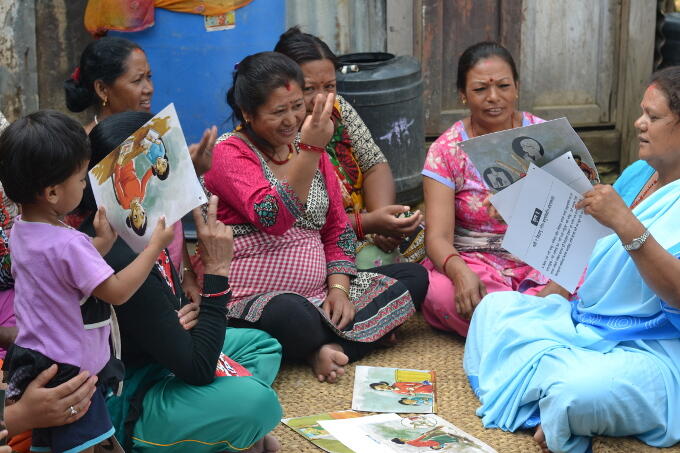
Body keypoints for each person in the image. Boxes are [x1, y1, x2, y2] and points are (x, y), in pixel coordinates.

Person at [464, 66, 680, 453]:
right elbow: (589, 244)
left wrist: (626, 224)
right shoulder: (636, 175)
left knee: (576, 392)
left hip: (659, 349)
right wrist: (522, 208)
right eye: (641, 112)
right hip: (590, 325)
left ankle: (555, 397)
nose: (639, 123)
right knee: (493, 311)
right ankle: (553, 392)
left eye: (654, 116)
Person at [204, 52, 428, 383]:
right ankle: (342, 342)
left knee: (414, 278)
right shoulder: (229, 153)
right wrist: (310, 150)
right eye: (278, 111)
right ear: (248, 114)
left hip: (319, 294)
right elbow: (273, 217)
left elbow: (337, 229)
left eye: (296, 105)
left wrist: (338, 289)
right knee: (290, 313)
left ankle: (324, 347)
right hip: (253, 300)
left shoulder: (308, 145)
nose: (292, 119)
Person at [80, 111, 282, 452]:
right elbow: (199, 369)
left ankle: (218, 426)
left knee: (263, 347)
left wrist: (190, 323)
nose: (171, 172)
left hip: (168, 359)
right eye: (162, 163)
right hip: (134, 393)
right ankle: (209, 428)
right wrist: (216, 270)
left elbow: (176, 325)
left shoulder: (134, 226)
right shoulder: (119, 255)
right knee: (258, 404)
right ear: (126, 185)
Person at [0, 110, 175, 453]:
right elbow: (117, 292)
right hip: (72, 374)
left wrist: (103, 244)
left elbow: (62, 269)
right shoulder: (68, 243)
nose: (85, 186)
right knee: (88, 445)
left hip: (37, 361)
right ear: (52, 193)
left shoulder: (23, 230)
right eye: (81, 180)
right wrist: (154, 247)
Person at [64, 36, 217, 303]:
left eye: (149, 77)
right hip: (127, 288)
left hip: (172, 278)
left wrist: (188, 274)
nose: (148, 89)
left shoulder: (154, 135)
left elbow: (171, 212)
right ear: (103, 89)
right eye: (137, 81)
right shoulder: (82, 150)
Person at [420, 41, 547, 336]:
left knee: (596, 273)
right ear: (463, 95)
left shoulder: (543, 137)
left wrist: (523, 204)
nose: (494, 98)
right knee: (439, 293)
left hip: (540, 256)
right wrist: (460, 273)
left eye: (503, 86)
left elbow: (576, 211)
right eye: (480, 89)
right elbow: (437, 238)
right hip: (477, 261)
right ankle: (540, 323)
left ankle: (508, 326)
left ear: (516, 87)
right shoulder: (447, 150)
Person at [274, 27, 424, 269]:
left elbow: (374, 164)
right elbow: (302, 218)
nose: (321, 98)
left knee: (420, 233)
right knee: (371, 262)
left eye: (329, 86)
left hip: (368, 222)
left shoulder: (339, 109)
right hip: (317, 238)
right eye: (309, 88)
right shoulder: (280, 131)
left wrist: (383, 220)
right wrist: (369, 223)